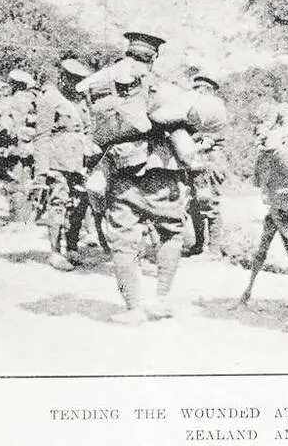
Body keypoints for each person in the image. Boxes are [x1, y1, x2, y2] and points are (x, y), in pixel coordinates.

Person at [83, 31, 190, 324]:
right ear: (153, 56)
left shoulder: (105, 85)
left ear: (128, 51)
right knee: (170, 232)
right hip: (162, 171)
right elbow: (184, 132)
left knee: (122, 241)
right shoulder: (160, 88)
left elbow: (95, 134)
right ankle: (162, 299)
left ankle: (133, 309)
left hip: (121, 172)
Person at [34, 58, 94, 271]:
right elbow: (41, 136)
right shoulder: (50, 99)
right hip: (57, 161)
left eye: (79, 81)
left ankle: (72, 247)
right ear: (62, 77)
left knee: (79, 205)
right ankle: (55, 252)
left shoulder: (80, 102)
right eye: (72, 79)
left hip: (80, 162)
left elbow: (88, 130)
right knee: (58, 203)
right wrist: (41, 171)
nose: (75, 85)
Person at [182, 65, 228, 258]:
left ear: (209, 89)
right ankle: (199, 245)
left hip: (211, 157)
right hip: (197, 156)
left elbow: (217, 134)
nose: (197, 89)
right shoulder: (196, 105)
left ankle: (215, 249)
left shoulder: (215, 106)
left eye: (201, 86)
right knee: (194, 203)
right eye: (196, 86)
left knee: (209, 202)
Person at [0, 69, 37, 223]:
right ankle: (26, 218)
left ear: (14, 85)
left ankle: (18, 220)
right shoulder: (33, 102)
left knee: (15, 182)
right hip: (30, 148)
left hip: (13, 147)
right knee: (27, 180)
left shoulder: (11, 102)